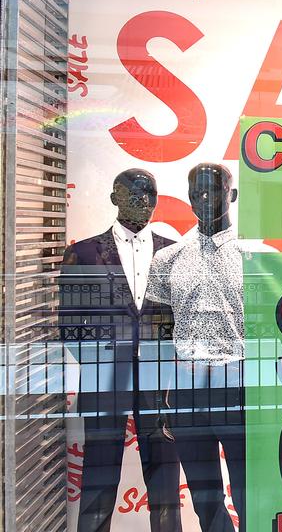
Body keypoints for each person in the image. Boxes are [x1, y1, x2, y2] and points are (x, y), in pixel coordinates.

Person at [59, 169, 181, 532]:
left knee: (165, 492)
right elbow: (69, 326)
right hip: (105, 385)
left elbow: (181, 320)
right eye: (134, 192)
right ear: (114, 198)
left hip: (161, 387)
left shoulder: (172, 253)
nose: (144, 200)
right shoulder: (82, 254)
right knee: (98, 487)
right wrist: (103, 370)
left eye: (151, 193)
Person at [146, 163, 254, 531]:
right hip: (188, 386)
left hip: (240, 384)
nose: (203, 199)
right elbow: (158, 330)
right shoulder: (169, 259)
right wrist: (160, 393)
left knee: (249, 490)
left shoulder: (254, 256)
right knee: (204, 494)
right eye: (195, 192)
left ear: (232, 194)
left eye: (213, 190)